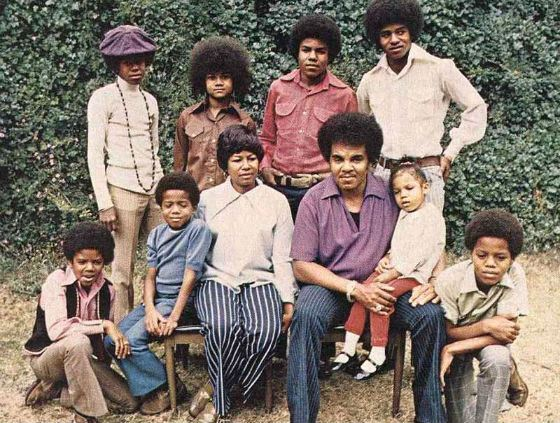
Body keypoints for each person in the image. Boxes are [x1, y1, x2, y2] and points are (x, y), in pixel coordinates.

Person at [287, 112, 447, 423]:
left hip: (387, 288)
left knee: (430, 316)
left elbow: (431, 234)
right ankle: (302, 418)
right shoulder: (314, 200)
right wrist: (355, 289)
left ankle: (430, 417)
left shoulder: (392, 192)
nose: (346, 167)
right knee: (305, 316)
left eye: (356, 159)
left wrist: (436, 279)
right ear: (328, 159)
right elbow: (302, 265)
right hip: (333, 288)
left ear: (371, 161)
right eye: (338, 159)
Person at [190, 125, 297, 422]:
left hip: (260, 279)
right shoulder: (207, 200)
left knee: (266, 331)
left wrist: (287, 298)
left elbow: (282, 256)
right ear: (225, 164)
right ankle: (221, 401)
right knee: (221, 326)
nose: (246, 166)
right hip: (217, 278)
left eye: (251, 158)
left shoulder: (275, 201)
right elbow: (196, 251)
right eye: (237, 159)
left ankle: (217, 386)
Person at [358, 0, 487, 211]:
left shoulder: (439, 69)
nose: (394, 40)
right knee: (382, 234)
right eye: (386, 34)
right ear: (378, 39)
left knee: (427, 231)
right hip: (384, 178)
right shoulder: (370, 80)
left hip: (426, 175)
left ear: (411, 31)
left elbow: (476, 107)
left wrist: (450, 153)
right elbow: (361, 125)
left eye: (401, 32)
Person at [105, 172, 212, 415]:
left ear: (193, 207)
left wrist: (173, 317)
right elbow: (150, 276)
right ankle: (165, 383)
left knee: (133, 340)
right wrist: (150, 309)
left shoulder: (198, 229)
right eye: (168, 205)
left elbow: (190, 277)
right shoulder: (156, 234)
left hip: (181, 301)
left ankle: (164, 388)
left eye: (182, 205)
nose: (175, 211)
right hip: (157, 302)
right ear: (160, 207)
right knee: (112, 339)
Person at [331, 162, 445, 380]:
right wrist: (387, 258)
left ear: (425, 187)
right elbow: (398, 245)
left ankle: (378, 352)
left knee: (380, 297)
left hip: (413, 275)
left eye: (409, 188)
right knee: (363, 291)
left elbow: (418, 254)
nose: (403, 196)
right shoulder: (404, 214)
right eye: (397, 192)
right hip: (394, 269)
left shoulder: (431, 217)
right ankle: (349, 347)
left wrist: (392, 273)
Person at [23, 222, 138, 423]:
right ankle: (86, 414)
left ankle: (59, 389)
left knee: (129, 402)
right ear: (70, 261)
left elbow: (102, 341)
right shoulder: (56, 281)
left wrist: (105, 364)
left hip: (80, 361)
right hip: (47, 359)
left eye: (97, 262)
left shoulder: (108, 289)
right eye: (82, 262)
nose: (90, 268)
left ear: (104, 261)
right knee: (77, 341)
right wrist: (105, 325)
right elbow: (57, 330)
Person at [88, 25, 164, 323]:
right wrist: (104, 203)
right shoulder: (102, 98)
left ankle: (159, 322)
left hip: (154, 188)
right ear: (115, 64)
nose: (136, 67)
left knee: (163, 258)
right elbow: (95, 154)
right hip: (121, 189)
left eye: (141, 61)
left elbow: (154, 148)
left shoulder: (150, 101)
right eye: (128, 61)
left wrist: (160, 188)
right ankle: (121, 330)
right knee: (122, 269)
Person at [260, 14, 358, 219]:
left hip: (321, 191)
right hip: (278, 189)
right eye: (306, 50)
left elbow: (351, 149)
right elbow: (267, 138)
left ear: (329, 55)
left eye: (320, 51)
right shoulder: (278, 88)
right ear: (297, 51)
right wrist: (265, 166)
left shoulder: (344, 96)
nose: (312, 57)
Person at [436, 209, 526, 423]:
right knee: (459, 419)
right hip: (458, 339)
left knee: (498, 359)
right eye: (482, 255)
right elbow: (450, 331)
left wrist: (452, 349)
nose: (490, 264)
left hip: (486, 343)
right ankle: (499, 384)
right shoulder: (449, 280)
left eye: (500, 257)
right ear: (471, 253)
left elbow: (505, 334)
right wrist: (487, 325)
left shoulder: (515, 275)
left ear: (512, 259)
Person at [173, 36, 255, 191]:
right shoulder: (187, 117)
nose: (218, 83)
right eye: (212, 78)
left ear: (235, 79)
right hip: (195, 197)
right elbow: (179, 164)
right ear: (202, 80)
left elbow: (249, 166)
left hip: (230, 198)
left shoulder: (244, 122)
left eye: (225, 77)